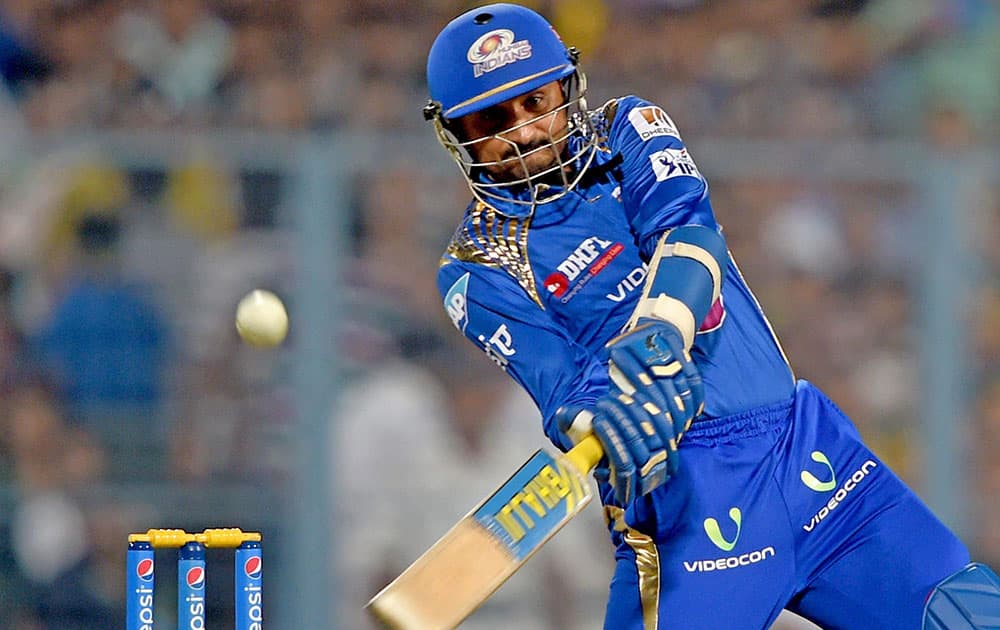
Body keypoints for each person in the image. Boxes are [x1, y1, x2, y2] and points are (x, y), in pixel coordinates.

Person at [422, 4, 998, 629]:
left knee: (962, 616)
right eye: (493, 119)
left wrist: (660, 331)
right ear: (455, 133)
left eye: (536, 101)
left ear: (568, 85)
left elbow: (689, 233)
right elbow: (559, 387)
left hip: (806, 453)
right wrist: (610, 421)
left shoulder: (627, 128)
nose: (526, 131)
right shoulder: (475, 266)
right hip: (692, 503)